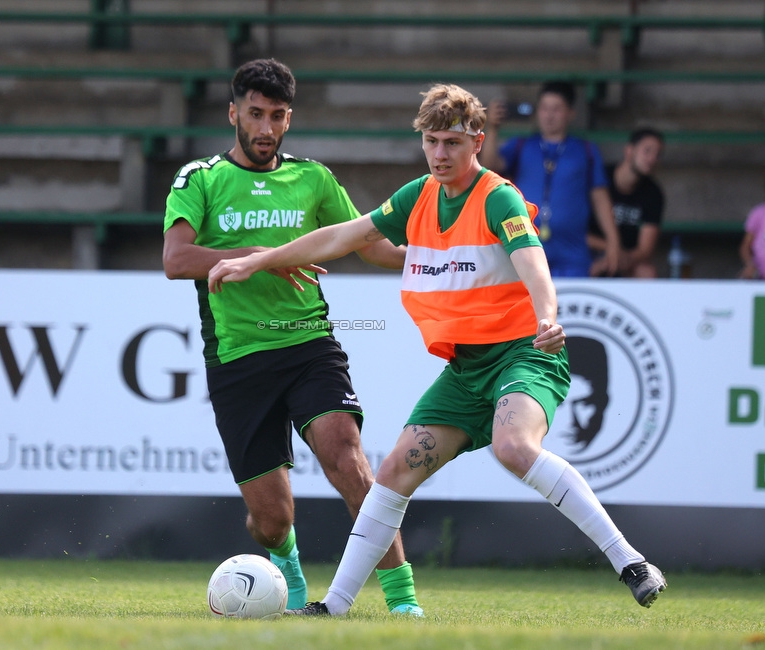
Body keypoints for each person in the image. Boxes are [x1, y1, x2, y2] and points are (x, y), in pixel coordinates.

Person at [208, 83, 667, 616]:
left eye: (452, 142)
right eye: (431, 142)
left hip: (523, 353)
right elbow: (343, 236)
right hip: (467, 367)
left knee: (513, 449)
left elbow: (532, 261)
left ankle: (631, 562)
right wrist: (257, 260)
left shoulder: (499, 196)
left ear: (477, 141)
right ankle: (333, 607)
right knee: (393, 473)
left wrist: (548, 317)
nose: (440, 154)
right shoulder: (417, 196)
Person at [162, 58, 423, 616]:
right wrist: (259, 258)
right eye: (254, 114)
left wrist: (437, 259)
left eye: (276, 116)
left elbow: (373, 246)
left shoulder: (313, 179)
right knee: (271, 519)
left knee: (348, 460)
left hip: (309, 345)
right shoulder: (200, 179)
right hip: (238, 358)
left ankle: (403, 602)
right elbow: (176, 259)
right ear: (234, 113)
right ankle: (288, 565)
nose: (265, 128)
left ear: (288, 119)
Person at [481, 81, 622, 277]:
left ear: (570, 113)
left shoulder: (585, 150)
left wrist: (613, 241)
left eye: (556, 109)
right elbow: (490, 167)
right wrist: (493, 129)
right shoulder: (522, 145)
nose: (549, 115)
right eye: (544, 108)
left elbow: (600, 197)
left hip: (573, 252)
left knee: (570, 305)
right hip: (526, 246)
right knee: (528, 305)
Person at [588, 128, 666, 278]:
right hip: (588, 253)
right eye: (647, 151)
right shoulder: (600, 179)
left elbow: (645, 250)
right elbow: (577, 233)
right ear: (629, 151)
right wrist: (612, 250)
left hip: (626, 258)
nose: (652, 159)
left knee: (647, 273)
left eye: (658, 155)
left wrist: (621, 257)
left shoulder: (653, 193)